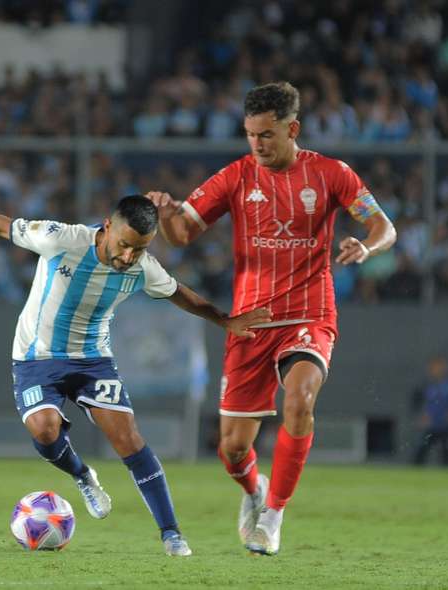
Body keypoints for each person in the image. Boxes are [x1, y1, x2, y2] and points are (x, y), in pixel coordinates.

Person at [0, 191, 270, 557]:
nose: (128, 257)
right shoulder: (61, 239)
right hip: (36, 358)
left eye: (138, 250)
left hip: (93, 361)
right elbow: (1, 225)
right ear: (108, 226)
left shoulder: (144, 269)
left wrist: (224, 320)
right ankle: (82, 475)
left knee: (127, 437)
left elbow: (178, 293)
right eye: (124, 245)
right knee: (45, 432)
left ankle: (171, 533)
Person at [145, 81, 396, 555]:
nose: (257, 145)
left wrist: (366, 245)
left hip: (309, 315)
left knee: (299, 401)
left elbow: (384, 225)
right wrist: (167, 213)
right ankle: (253, 490)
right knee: (232, 450)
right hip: (249, 324)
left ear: (292, 128)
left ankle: (274, 516)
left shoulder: (330, 174)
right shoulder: (236, 177)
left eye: (266, 135)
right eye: (250, 135)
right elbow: (180, 237)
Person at [411, 355, 448, 466]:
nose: (436, 371)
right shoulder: (424, 386)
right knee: (422, 450)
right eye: (433, 368)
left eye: (439, 367)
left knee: (447, 452)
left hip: (447, 426)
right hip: (430, 425)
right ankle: (415, 473)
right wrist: (420, 415)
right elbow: (415, 403)